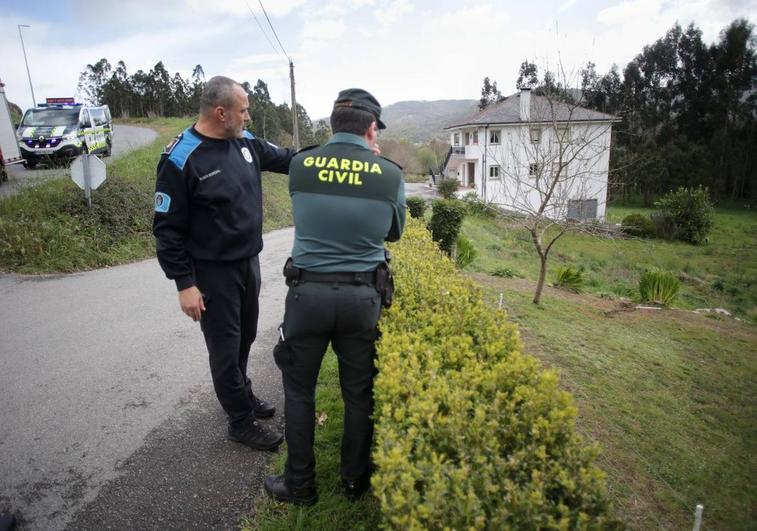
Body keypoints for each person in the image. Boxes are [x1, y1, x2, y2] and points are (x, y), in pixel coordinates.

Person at [264, 88, 406, 505]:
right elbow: (393, 232)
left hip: (306, 297)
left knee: (299, 390)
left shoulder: (301, 165)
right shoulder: (390, 174)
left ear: (332, 125)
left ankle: (300, 485)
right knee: (358, 392)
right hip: (363, 299)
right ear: (370, 127)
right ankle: (353, 482)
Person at [153, 76, 294, 450]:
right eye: (244, 110)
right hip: (212, 271)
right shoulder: (180, 158)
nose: (248, 116)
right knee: (224, 346)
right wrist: (184, 284)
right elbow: (166, 230)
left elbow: (290, 160)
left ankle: (241, 392)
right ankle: (239, 421)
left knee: (245, 336)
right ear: (222, 113)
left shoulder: (245, 142)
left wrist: (337, 157)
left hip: (248, 262)